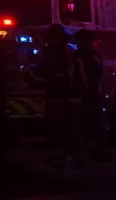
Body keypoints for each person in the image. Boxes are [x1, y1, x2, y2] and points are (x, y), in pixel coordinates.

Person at [35, 24, 85, 166]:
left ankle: (62, 157)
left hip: (58, 97)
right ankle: (74, 156)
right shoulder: (71, 53)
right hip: (70, 97)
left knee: (59, 128)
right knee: (72, 129)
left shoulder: (49, 53)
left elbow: (41, 73)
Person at [75, 30, 107, 160]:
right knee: (89, 122)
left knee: (93, 122)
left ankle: (95, 149)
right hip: (87, 94)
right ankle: (90, 149)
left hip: (91, 94)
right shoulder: (83, 57)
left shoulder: (92, 56)